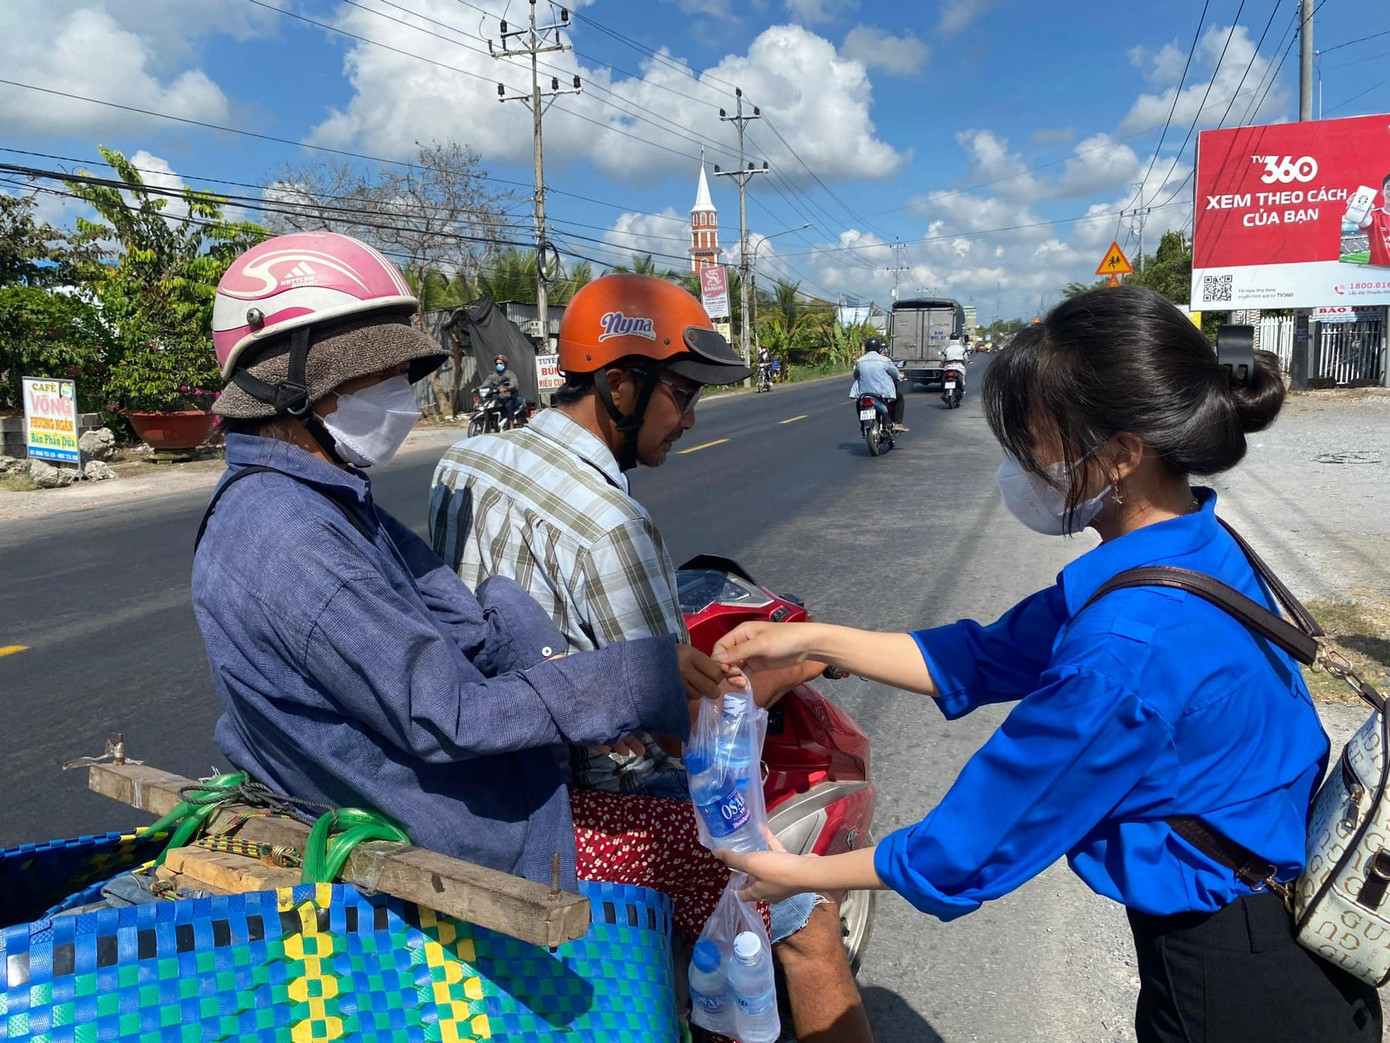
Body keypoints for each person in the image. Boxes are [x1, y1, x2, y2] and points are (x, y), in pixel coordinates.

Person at [713, 287, 1382, 1043]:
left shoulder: (1128, 644)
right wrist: (809, 641)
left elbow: (974, 841)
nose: (1026, 463)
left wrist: (795, 875)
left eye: (1037, 440)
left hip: (1238, 982)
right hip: (1279, 920)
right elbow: (980, 654)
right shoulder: (1184, 549)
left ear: (1123, 453)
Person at [192, 231, 724, 904]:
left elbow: (460, 613)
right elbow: (451, 716)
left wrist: (538, 646)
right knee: (742, 872)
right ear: (297, 383)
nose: (402, 400)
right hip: (474, 829)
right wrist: (634, 676)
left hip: (436, 790)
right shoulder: (294, 539)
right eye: (377, 377)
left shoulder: (323, 499)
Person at [430, 273, 871, 1042]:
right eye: (684, 394)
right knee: (807, 921)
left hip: (476, 782)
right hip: (581, 812)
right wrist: (808, 657)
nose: (693, 418)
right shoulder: (611, 526)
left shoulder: (465, 466)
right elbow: (687, 728)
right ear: (622, 386)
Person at [850, 335, 906, 432]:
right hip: (881, 393)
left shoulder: (860, 361)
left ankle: (862, 424)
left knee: (859, 403)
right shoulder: (885, 360)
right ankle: (897, 423)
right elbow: (895, 373)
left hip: (864, 393)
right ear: (879, 348)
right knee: (899, 398)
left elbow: (856, 375)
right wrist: (900, 377)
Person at [1347, 173, 1390, 268]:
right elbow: (1365, 221)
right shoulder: (1374, 215)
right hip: (1376, 276)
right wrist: (1358, 211)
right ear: (1382, 192)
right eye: (1389, 188)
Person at [479, 353, 525, 426]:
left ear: (505, 364)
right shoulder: (493, 375)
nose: (498, 365)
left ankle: (511, 425)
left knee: (508, 405)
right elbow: (486, 384)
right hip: (498, 397)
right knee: (490, 406)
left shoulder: (510, 374)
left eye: (500, 363)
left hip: (509, 396)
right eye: (497, 364)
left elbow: (514, 385)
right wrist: (477, 388)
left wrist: (506, 388)